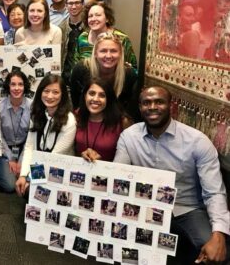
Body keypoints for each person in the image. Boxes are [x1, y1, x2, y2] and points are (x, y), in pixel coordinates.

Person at [113, 86, 230, 264]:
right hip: (146, 206)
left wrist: (219, 234)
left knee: (216, 254)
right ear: (140, 107)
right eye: (146, 103)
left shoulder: (197, 141)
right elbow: (117, 177)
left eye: (159, 102)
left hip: (187, 208)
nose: (152, 107)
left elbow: (214, 192)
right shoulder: (129, 137)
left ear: (171, 106)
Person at [15, 74, 76, 195]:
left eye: (55, 92)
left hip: (59, 170)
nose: (50, 96)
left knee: (31, 192)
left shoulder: (69, 121)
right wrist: (23, 175)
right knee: (26, 189)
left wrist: (31, 179)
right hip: (41, 165)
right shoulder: (38, 113)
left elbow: (54, 157)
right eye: (46, 91)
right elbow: (29, 147)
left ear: (63, 95)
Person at [70, 33, 138, 120]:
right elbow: (76, 104)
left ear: (120, 54)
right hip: (87, 119)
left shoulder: (129, 75)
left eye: (113, 51)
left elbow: (130, 112)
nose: (108, 56)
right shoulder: (81, 70)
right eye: (103, 51)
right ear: (95, 53)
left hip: (116, 122)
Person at [0, 71, 31, 193]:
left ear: (25, 87)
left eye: (20, 84)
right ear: (8, 86)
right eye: (13, 84)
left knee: (28, 180)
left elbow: (31, 137)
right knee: (9, 186)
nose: (17, 88)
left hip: (25, 148)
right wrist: (10, 159)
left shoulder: (33, 106)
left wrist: (21, 161)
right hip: (5, 149)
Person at [75, 78, 131, 162]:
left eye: (102, 95)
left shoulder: (122, 122)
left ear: (109, 99)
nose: (95, 99)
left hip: (109, 173)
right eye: (91, 93)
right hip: (79, 171)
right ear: (85, 96)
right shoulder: (77, 115)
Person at [74, 1, 138, 71]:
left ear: (107, 18)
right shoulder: (83, 38)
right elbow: (75, 65)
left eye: (98, 15)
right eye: (90, 16)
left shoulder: (121, 38)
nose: (93, 19)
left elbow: (134, 69)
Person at [59, 0, 85, 85]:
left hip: (86, 77)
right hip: (66, 79)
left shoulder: (90, 27)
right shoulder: (60, 29)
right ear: (66, 6)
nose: (73, 6)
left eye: (77, 3)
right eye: (70, 3)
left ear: (82, 4)